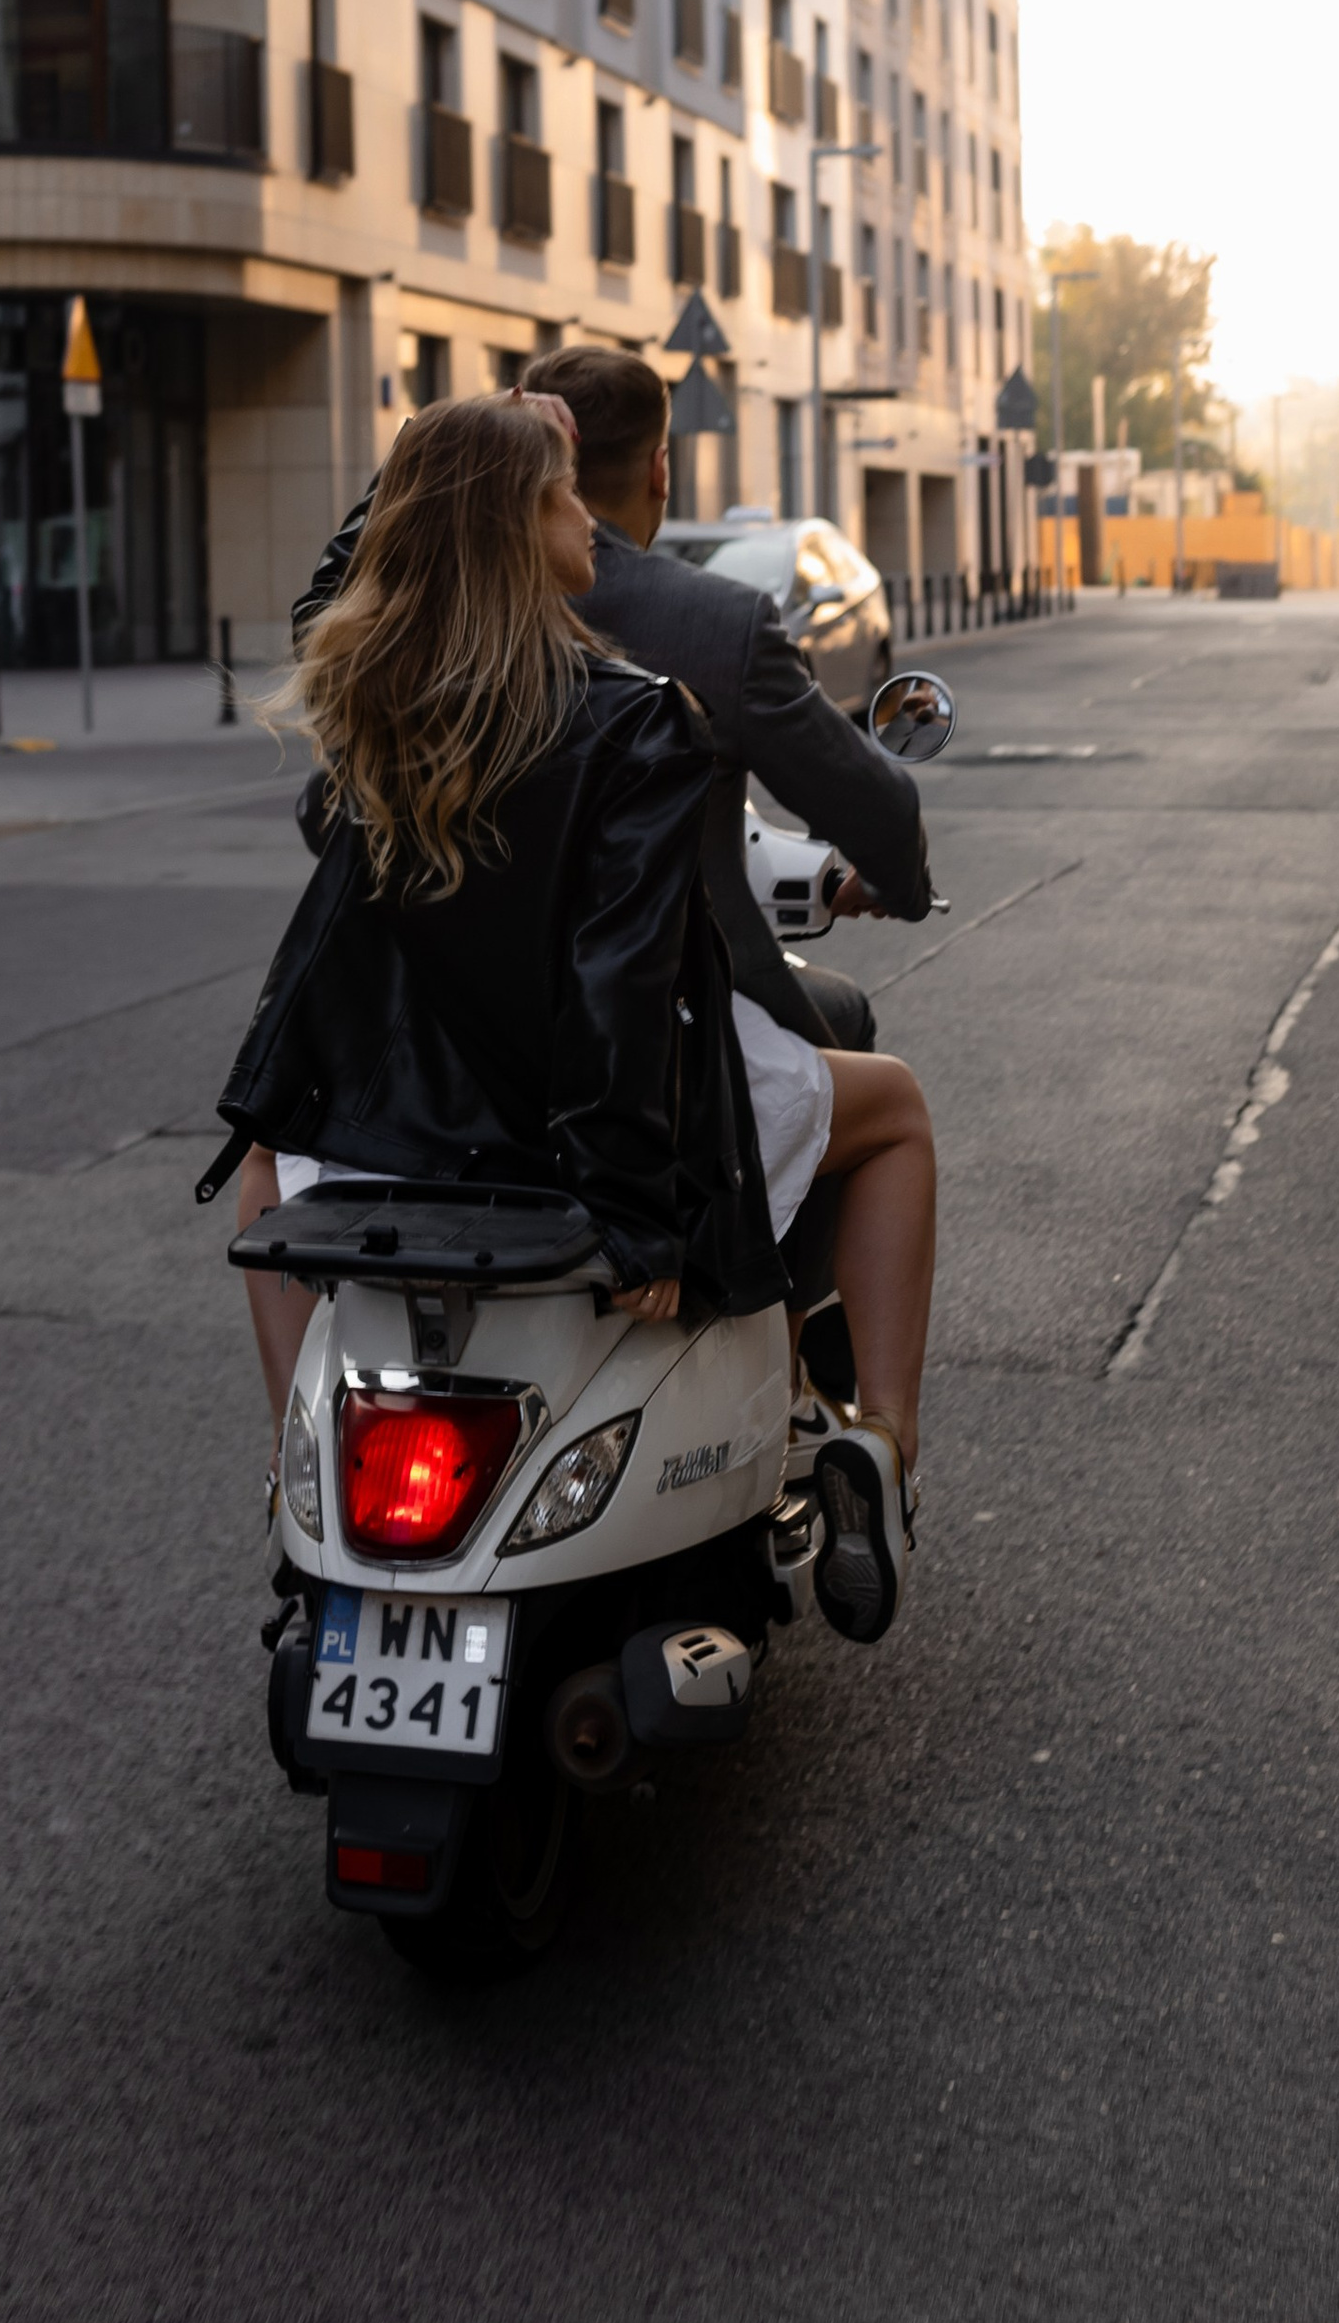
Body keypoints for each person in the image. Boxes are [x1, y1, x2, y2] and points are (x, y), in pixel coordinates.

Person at [223, 392, 932, 1640]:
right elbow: (618, 990)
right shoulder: (629, 714)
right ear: (512, 526)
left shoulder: (374, 698)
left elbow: (348, 574)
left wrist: (446, 446)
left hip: (410, 1116)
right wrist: (633, 1218)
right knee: (900, 1110)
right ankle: (880, 1437)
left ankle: (298, 1489)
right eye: (557, 497)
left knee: (270, 1177)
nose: (585, 524)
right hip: (586, 1131)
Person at [293, 348, 934, 1060]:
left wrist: (431, 453)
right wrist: (894, 882)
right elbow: (874, 805)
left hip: (436, 1017)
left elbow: (327, 612)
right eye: (569, 502)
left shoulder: (409, 625)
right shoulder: (709, 633)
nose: (589, 527)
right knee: (883, 1093)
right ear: (659, 469)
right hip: (664, 1023)